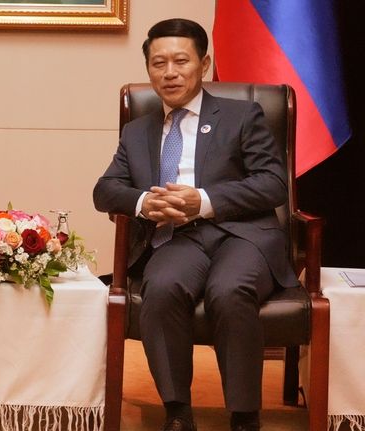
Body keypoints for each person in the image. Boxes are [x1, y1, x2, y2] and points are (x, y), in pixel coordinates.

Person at [93, 18, 297, 431]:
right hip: (177, 240)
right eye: (158, 63)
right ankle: (177, 412)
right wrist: (145, 202)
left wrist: (202, 201)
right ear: (148, 69)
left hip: (242, 236)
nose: (169, 73)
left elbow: (273, 184)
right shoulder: (138, 131)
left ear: (203, 64)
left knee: (230, 290)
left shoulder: (243, 115)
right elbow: (105, 191)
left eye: (181, 61)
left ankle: (243, 416)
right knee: (163, 287)